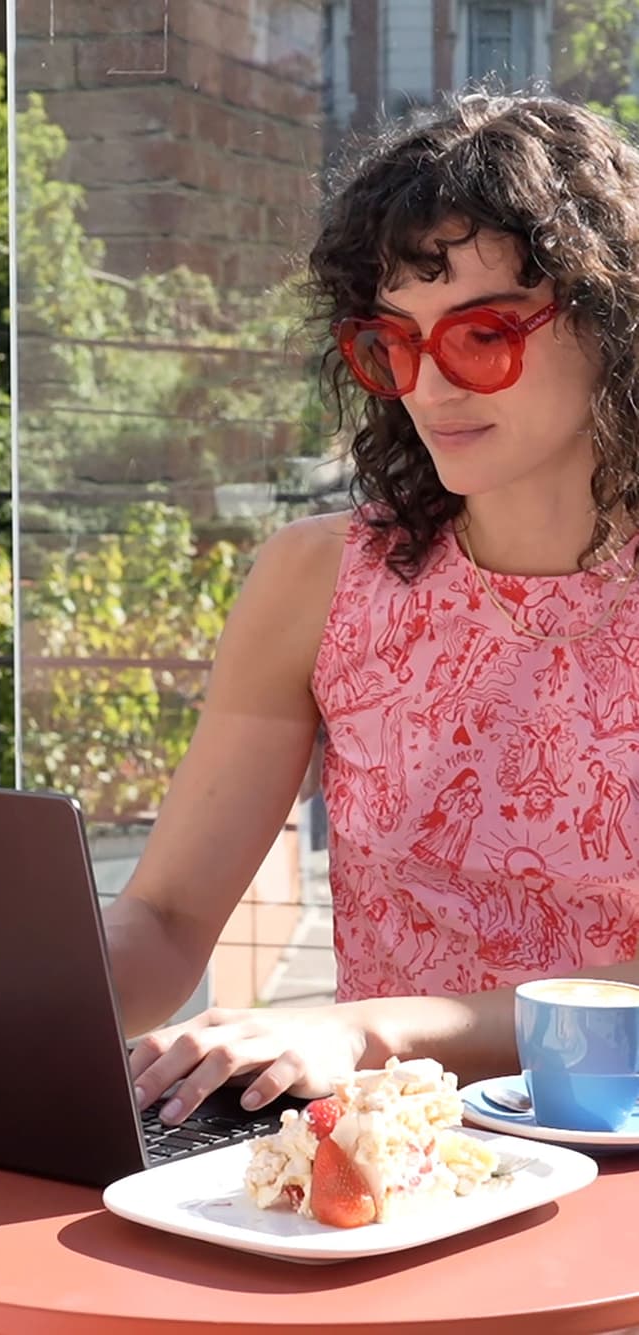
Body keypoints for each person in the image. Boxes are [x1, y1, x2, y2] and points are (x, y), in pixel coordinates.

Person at [103, 89, 639, 1127]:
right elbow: (164, 921)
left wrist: (367, 1030)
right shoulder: (317, 580)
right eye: (392, 343)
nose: (429, 386)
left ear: (611, 324)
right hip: (395, 1176)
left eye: (482, 336)